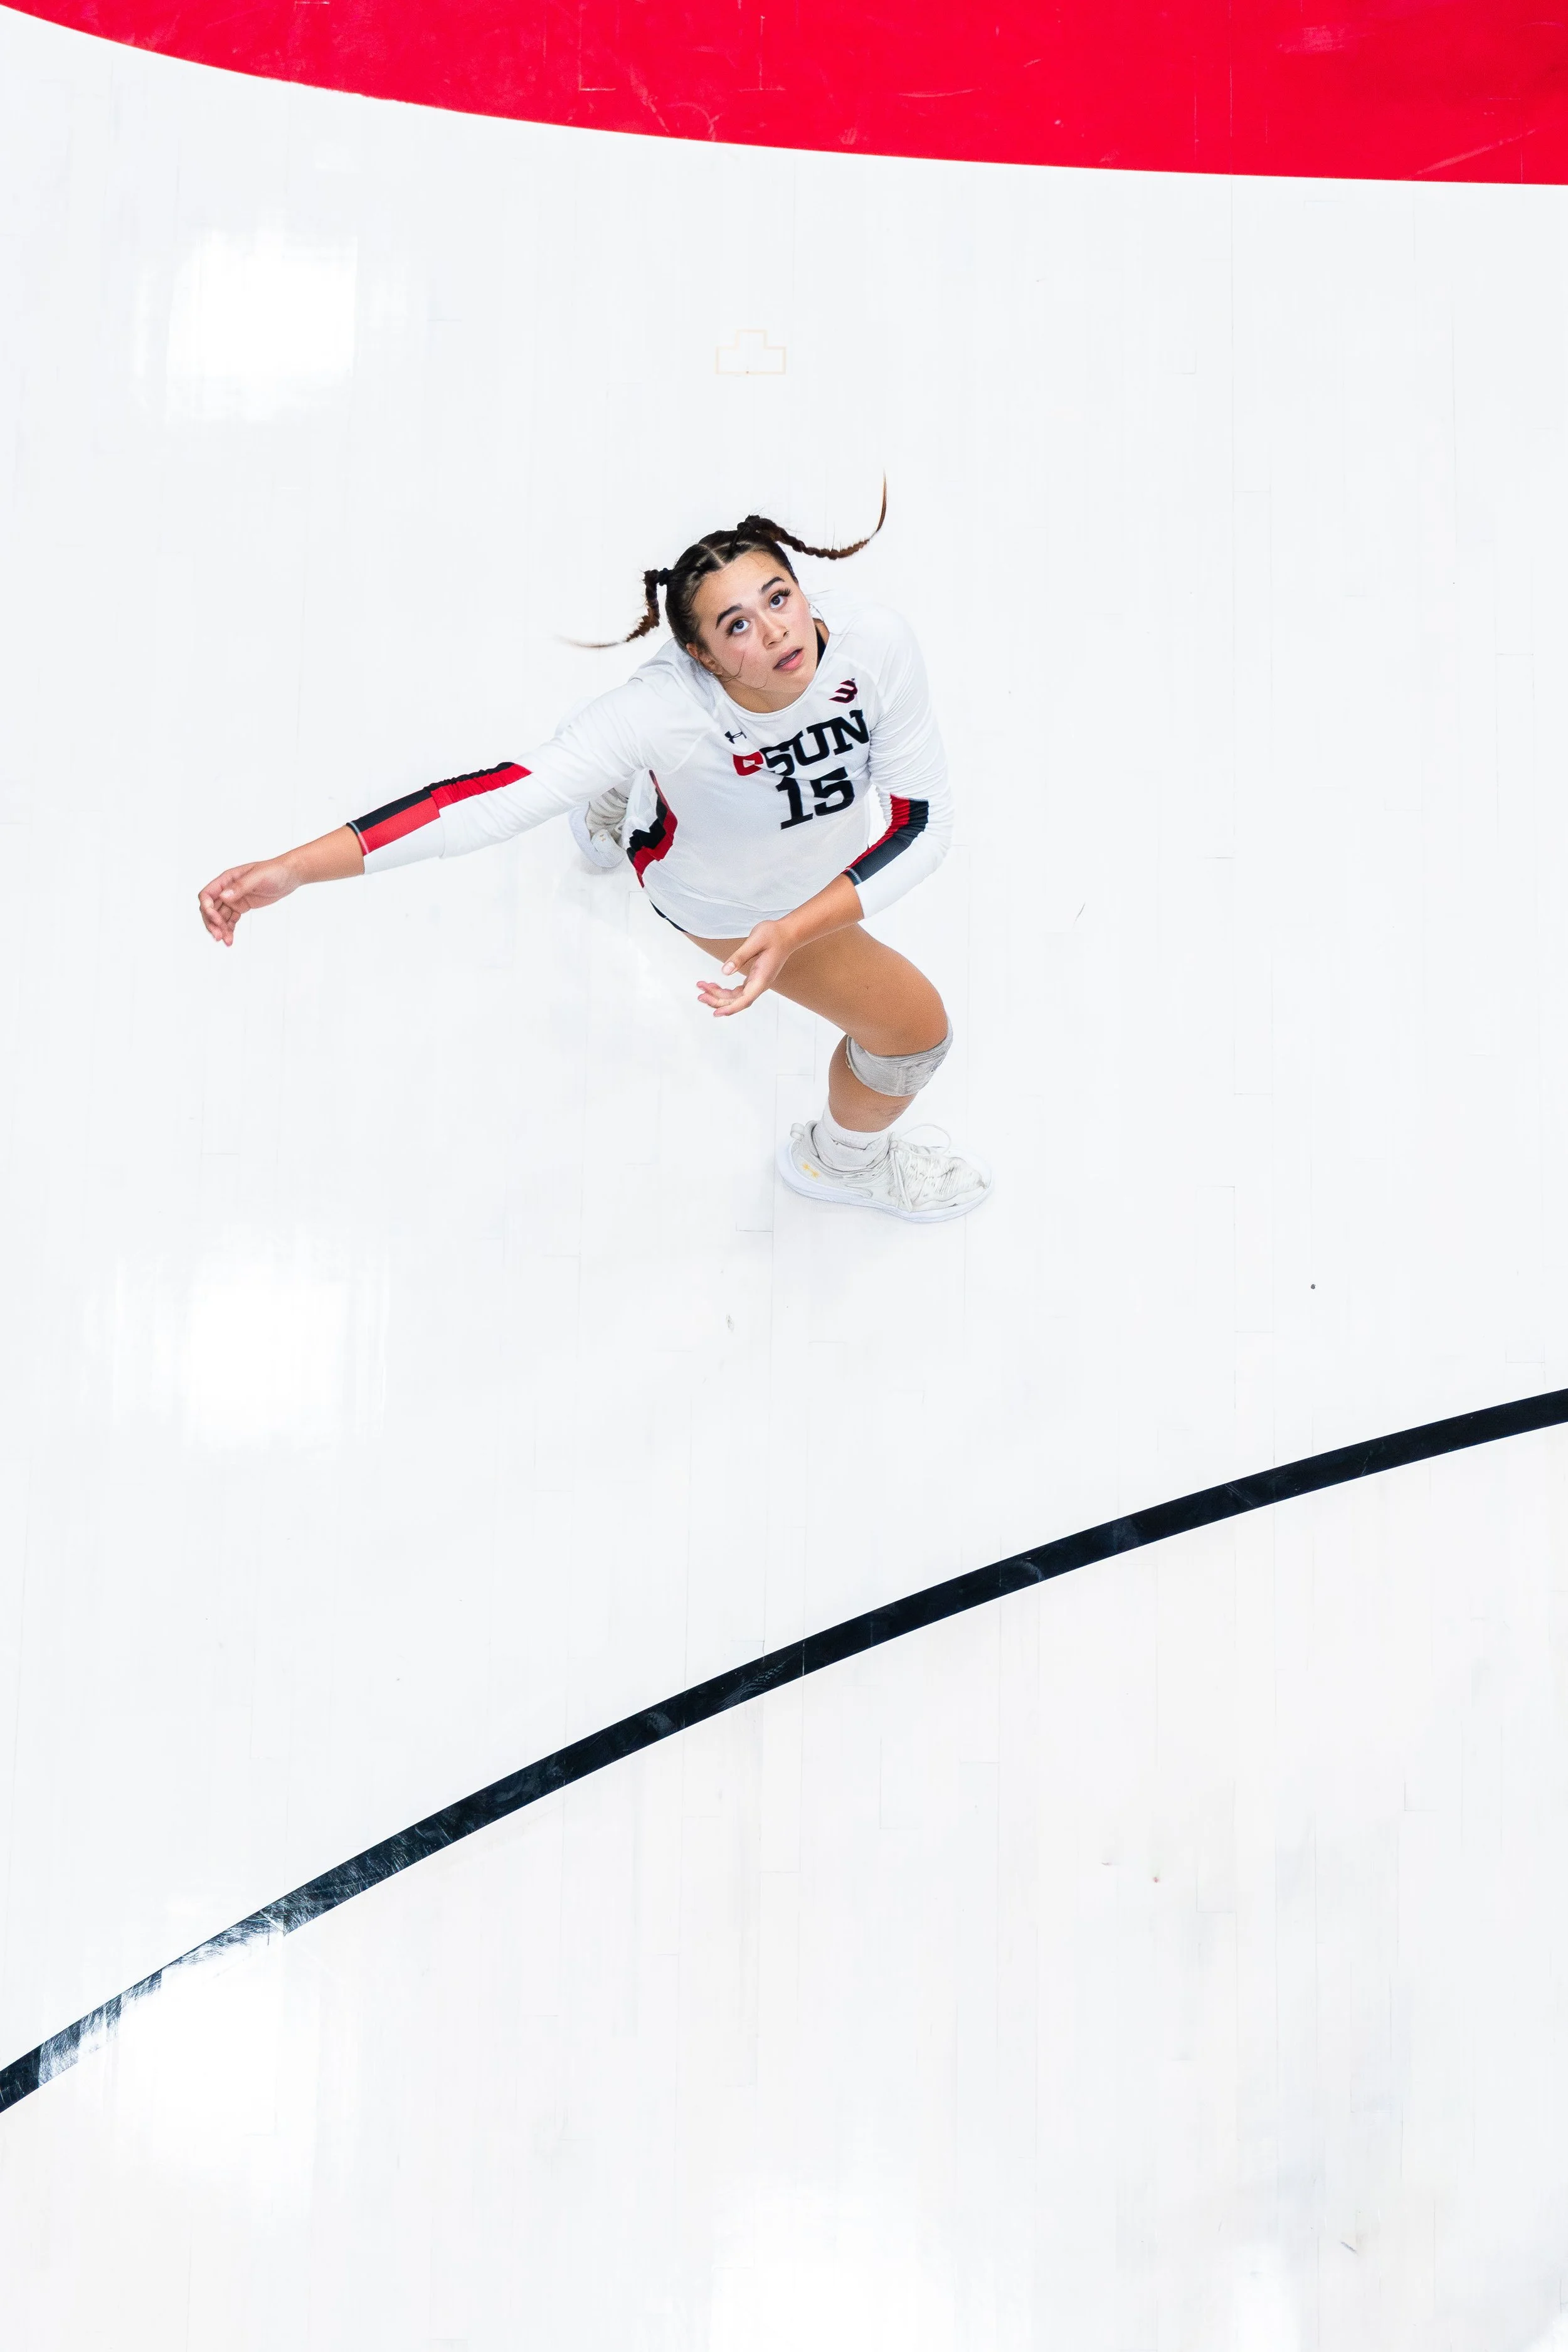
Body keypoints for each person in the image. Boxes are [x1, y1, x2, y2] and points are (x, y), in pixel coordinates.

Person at [196, 499, 990, 1223]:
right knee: (914, 1037)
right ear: (702, 656)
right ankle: (841, 1164)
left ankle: (613, 792)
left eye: (778, 597)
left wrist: (801, 927)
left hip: (801, 889)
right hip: (728, 900)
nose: (777, 630)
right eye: (737, 625)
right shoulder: (668, 705)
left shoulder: (874, 645)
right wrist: (295, 867)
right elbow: (484, 802)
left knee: (625, 747)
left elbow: (925, 821)